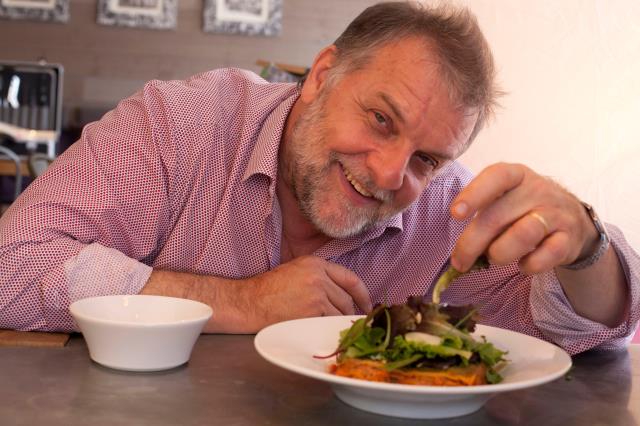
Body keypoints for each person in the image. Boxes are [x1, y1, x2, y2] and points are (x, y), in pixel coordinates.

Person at [0, 2, 638, 354]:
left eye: (426, 158)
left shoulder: (449, 214)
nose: (391, 174)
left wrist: (587, 248)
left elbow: (592, 327)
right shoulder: (181, 126)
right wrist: (243, 301)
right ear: (323, 75)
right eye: (382, 119)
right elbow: (15, 264)